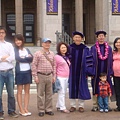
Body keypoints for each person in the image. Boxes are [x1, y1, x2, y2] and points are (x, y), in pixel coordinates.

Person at [69, 31, 94, 113]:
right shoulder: (69, 48)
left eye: (79, 37)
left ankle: (81, 105)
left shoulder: (85, 49)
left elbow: (89, 61)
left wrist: (89, 72)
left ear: (82, 39)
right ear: (73, 38)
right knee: (72, 88)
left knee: (82, 88)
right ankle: (72, 105)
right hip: (71, 72)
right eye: (76, 37)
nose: (77, 39)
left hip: (82, 72)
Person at [32, 38, 56, 117]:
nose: (47, 44)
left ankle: (48, 109)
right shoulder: (37, 53)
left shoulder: (52, 54)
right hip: (40, 75)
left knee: (49, 94)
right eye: (45, 43)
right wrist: (35, 76)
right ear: (42, 44)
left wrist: (54, 76)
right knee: (40, 94)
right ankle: (41, 110)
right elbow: (34, 65)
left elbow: (54, 65)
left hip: (49, 75)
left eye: (48, 43)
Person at [90, 30, 113, 111]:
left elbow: (111, 60)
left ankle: (107, 105)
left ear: (105, 37)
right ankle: (95, 105)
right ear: (97, 37)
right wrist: (91, 72)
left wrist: (110, 71)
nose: (101, 37)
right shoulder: (93, 48)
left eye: (103, 36)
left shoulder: (109, 48)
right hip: (96, 71)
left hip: (106, 70)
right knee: (95, 87)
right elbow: (89, 60)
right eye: (99, 36)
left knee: (107, 87)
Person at [0, 26, 18, 119]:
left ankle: (11, 111)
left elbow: (13, 57)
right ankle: (0, 112)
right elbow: (8, 57)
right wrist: (5, 57)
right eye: (0, 33)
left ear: (5, 34)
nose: (1, 34)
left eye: (2, 32)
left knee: (11, 93)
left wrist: (4, 58)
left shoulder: (9, 45)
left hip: (9, 72)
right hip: (0, 72)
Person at [14, 34, 33, 116]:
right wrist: (26, 58)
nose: (18, 42)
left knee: (27, 91)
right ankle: (21, 109)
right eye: (16, 40)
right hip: (20, 72)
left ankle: (26, 108)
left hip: (27, 71)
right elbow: (18, 58)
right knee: (19, 91)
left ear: (22, 41)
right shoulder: (14, 50)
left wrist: (24, 58)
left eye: (19, 40)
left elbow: (31, 59)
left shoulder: (27, 49)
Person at [55, 42, 70, 113]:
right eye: (62, 48)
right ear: (59, 49)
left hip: (66, 76)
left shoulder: (67, 57)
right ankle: (62, 107)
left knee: (64, 91)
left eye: (65, 47)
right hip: (60, 76)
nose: (64, 49)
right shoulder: (57, 57)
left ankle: (58, 105)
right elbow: (54, 67)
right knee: (62, 92)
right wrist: (55, 77)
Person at [113, 37, 120, 111]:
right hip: (115, 74)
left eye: (119, 42)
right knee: (117, 91)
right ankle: (119, 106)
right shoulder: (113, 52)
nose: (118, 44)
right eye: (117, 42)